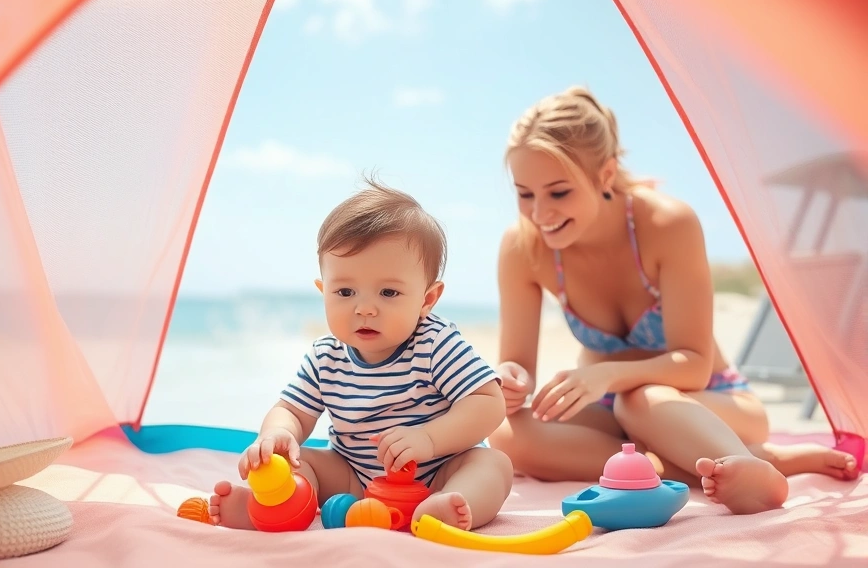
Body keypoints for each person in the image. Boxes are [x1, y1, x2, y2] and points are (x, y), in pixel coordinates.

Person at [486, 85, 860, 516]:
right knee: (508, 434)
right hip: (611, 407)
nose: (539, 213)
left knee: (639, 398)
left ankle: (743, 461)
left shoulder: (667, 223)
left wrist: (608, 376)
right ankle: (757, 460)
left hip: (709, 400)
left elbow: (695, 363)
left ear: (605, 175)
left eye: (558, 192)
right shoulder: (523, 248)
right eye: (524, 193)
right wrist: (510, 383)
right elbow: (517, 368)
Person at [209, 178, 513, 530]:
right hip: (354, 480)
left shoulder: (435, 343)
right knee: (295, 461)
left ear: (427, 300)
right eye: (345, 291)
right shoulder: (326, 357)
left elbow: (488, 402)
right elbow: (292, 409)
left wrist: (429, 439)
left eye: (388, 292)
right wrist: (277, 435)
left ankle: (444, 511)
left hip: (438, 473)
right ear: (323, 291)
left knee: (492, 465)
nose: (364, 308)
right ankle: (275, 505)